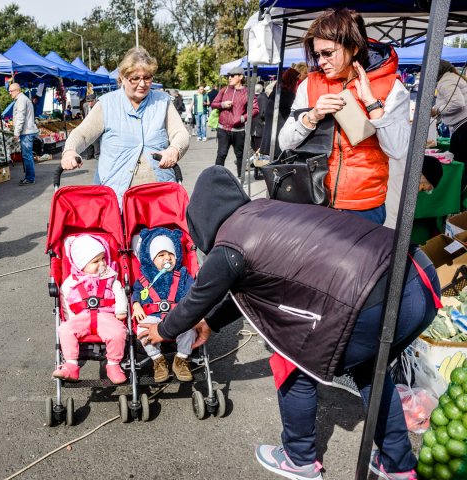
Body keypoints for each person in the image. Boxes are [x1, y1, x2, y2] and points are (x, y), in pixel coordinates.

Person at [139, 165, 440, 480]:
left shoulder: (229, 245)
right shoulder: (265, 210)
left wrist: (163, 329)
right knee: (370, 371)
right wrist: (211, 324)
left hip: (375, 297)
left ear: (201, 221)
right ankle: (398, 462)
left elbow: (197, 299)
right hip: (417, 277)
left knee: (294, 363)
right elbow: (246, 289)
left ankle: (299, 459)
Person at [278, 8, 410, 225]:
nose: (320, 61)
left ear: (354, 47)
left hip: (364, 205)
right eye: (317, 54)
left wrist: (372, 103)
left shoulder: (391, 87)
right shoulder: (309, 85)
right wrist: (312, 116)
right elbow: (284, 142)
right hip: (314, 197)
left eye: (328, 53)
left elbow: (397, 150)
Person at [60, 47, 190, 206]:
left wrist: (174, 150)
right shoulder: (107, 104)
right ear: (122, 77)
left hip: (159, 199)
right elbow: (81, 134)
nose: (142, 84)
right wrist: (70, 151)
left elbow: (180, 133)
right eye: (135, 78)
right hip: (116, 199)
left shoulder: (162, 101)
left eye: (147, 77)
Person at [53, 234, 128, 384]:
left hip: (106, 316)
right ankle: (71, 365)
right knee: (64, 330)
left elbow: (119, 291)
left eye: (103, 259)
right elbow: (64, 298)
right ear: (81, 264)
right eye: (96, 261)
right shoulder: (71, 282)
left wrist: (121, 310)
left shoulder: (109, 277)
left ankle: (113, 364)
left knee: (119, 332)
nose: (102, 264)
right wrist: (70, 318)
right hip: (80, 317)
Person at [132, 227, 196, 383]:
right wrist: (136, 305)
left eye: (171, 254)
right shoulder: (145, 277)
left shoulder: (183, 275)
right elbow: (136, 293)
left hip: (177, 315)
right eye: (161, 255)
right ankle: (157, 360)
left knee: (190, 327)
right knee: (142, 329)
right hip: (153, 317)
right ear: (151, 259)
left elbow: (193, 293)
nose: (167, 258)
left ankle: (181, 359)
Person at [211, 67, 259, 179]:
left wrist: (243, 118)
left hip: (239, 130)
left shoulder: (248, 92)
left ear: (241, 77)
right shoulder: (224, 90)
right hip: (223, 129)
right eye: (229, 76)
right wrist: (222, 104)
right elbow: (214, 103)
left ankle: (240, 180)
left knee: (240, 156)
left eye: (232, 76)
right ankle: (217, 179)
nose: (229, 78)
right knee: (221, 154)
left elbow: (255, 109)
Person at [432, 59, 467, 188]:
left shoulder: (446, 81)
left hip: (464, 128)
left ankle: (459, 199)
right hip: (462, 127)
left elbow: (457, 103)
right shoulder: (451, 78)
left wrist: (437, 110)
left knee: (460, 166)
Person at [260, 67, 299, 158]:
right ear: (293, 81)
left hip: (269, 136)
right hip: (278, 137)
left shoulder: (276, 92)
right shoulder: (288, 95)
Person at [9, 83, 39, 186]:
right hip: (26, 131)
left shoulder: (21, 100)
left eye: (11, 91)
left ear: (17, 90)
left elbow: (21, 117)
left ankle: (30, 178)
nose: (9, 93)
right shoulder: (22, 99)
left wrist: (16, 133)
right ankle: (29, 177)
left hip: (26, 132)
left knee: (27, 156)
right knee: (27, 155)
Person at [251, 83, 269, 152]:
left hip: (257, 127)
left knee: (257, 148)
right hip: (257, 127)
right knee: (257, 148)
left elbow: (263, 113)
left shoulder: (258, 98)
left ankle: (257, 161)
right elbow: (263, 113)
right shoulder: (261, 98)